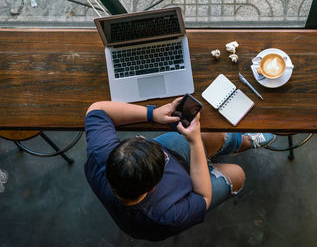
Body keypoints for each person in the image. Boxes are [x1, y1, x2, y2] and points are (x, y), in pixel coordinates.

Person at [84, 97, 275, 241]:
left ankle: (246, 141)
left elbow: (97, 109)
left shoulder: (101, 156)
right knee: (237, 174)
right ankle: (214, 163)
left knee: (211, 135)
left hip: (171, 171)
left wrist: (153, 114)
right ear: (153, 187)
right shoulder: (164, 217)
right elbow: (203, 197)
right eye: (163, 159)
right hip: (192, 193)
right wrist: (194, 142)